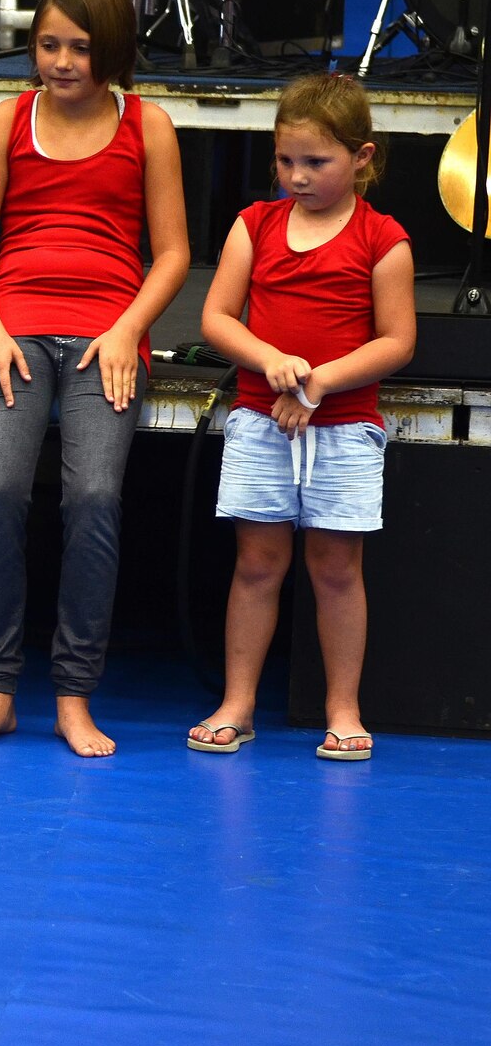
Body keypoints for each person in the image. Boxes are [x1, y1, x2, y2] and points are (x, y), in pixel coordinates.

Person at [0, 0, 190, 757]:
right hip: (14, 330)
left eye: (79, 48)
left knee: (92, 499)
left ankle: (75, 694)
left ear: (111, 50)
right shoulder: (6, 122)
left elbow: (175, 252)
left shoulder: (148, 126)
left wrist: (127, 331)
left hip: (106, 337)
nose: (60, 61)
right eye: (48, 44)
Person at [188, 74, 413, 762]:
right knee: (257, 562)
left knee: (337, 566)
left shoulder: (383, 239)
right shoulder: (255, 224)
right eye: (286, 160)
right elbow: (217, 318)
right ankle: (238, 702)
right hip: (262, 418)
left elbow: (396, 341)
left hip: (344, 429)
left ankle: (343, 707)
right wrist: (270, 357)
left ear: (363, 157)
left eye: (316, 162)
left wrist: (317, 380)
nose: (297, 175)